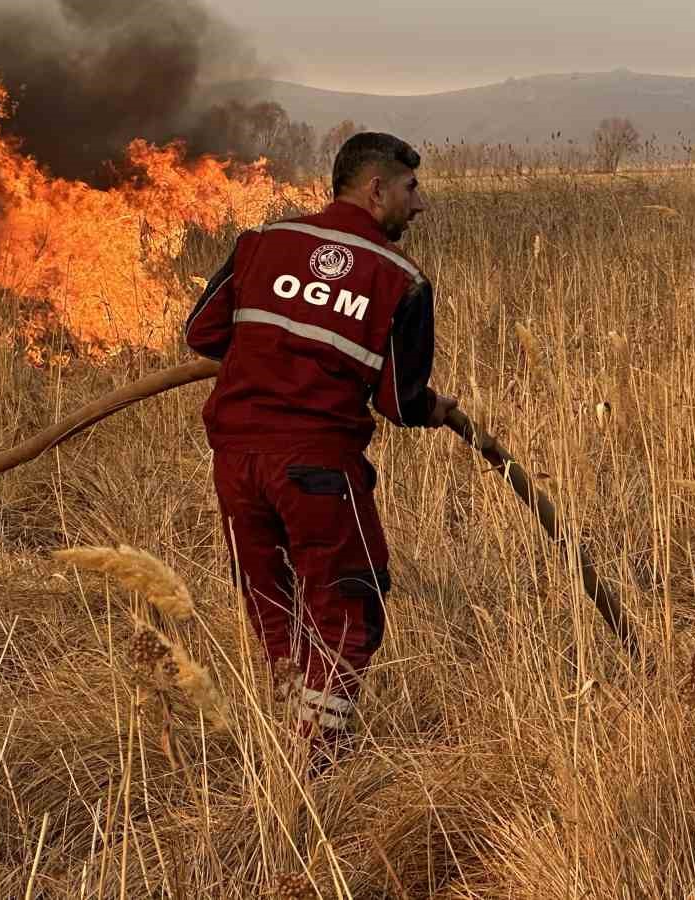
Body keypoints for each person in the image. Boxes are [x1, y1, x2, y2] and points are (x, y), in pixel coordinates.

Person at [183, 132, 456, 763]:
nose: (419, 205)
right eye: (412, 189)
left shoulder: (263, 241)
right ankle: (317, 762)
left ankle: (285, 744)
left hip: (235, 463)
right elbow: (399, 402)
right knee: (348, 609)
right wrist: (434, 408)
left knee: (273, 609)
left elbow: (201, 332)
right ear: (376, 189)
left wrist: (270, 357)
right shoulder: (402, 280)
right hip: (318, 467)